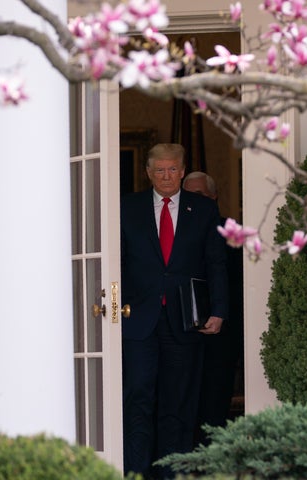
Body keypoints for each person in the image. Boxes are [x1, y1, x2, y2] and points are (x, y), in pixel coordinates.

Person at [120, 144, 229, 479]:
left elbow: (216, 263)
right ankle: (135, 472)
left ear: (182, 171)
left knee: (178, 404)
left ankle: (173, 474)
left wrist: (219, 309)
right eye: (159, 170)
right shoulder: (127, 207)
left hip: (185, 319)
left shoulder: (203, 210)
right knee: (138, 400)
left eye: (173, 169)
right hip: (138, 320)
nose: (166, 176)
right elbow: (117, 262)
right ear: (149, 172)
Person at [183, 172, 244, 443]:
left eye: (201, 196)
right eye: (190, 196)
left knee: (216, 397)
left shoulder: (233, 233)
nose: (196, 202)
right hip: (182, 332)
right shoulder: (172, 233)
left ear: (214, 198)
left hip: (223, 333)